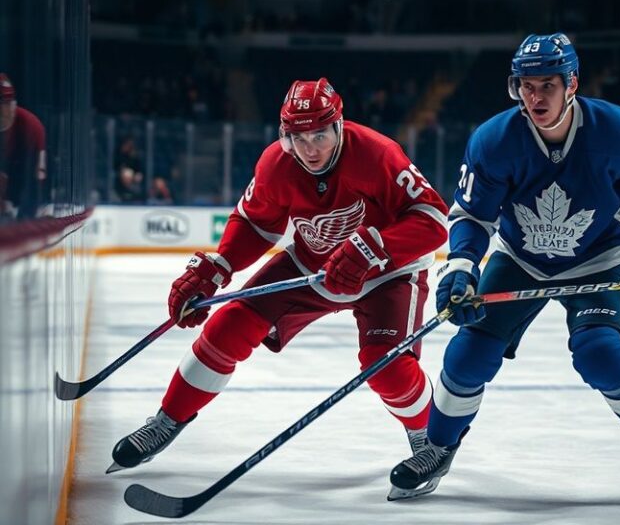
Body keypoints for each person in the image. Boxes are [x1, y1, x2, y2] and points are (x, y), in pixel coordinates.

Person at [388, 33, 620, 508]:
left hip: (596, 259)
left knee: (601, 355)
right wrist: (460, 267)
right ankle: (437, 447)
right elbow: (473, 216)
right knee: (467, 355)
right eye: (525, 85)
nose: (534, 97)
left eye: (546, 86)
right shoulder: (495, 141)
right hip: (520, 259)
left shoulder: (616, 132)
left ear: (572, 84)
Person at [108, 78, 448, 473]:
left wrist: (374, 248)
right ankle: (166, 421)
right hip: (313, 265)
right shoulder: (275, 164)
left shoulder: (378, 154)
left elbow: (434, 220)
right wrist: (222, 265)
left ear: (339, 125)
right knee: (227, 326)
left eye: (320, 133)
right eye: (298, 137)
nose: (310, 148)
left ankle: (431, 442)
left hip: (389, 271)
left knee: (386, 365)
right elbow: (254, 223)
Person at [0, 73, 46, 219]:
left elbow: (36, 182)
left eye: (9, 103)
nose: (5, 111)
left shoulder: (31, 126)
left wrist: (27, 218)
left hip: (18, 194)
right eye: (2, 103)